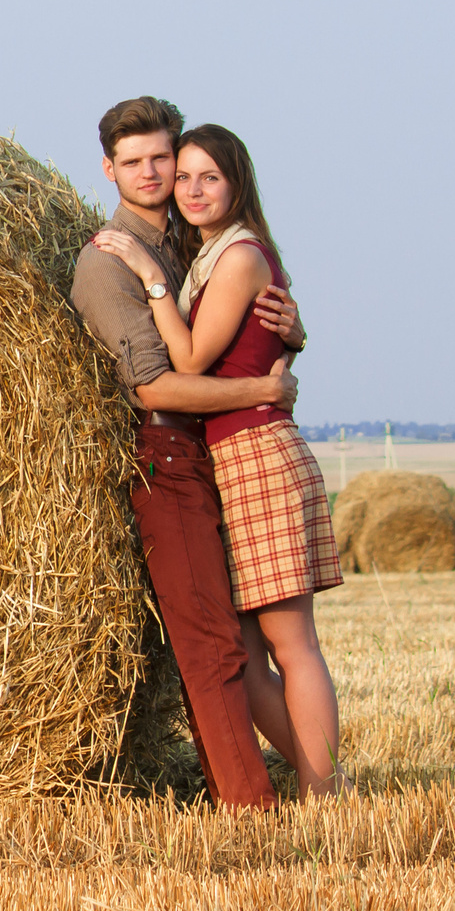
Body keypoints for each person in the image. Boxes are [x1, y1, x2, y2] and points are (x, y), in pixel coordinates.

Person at [93, 123, 345, 797]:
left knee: (291, 645)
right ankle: (329, 786)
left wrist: (151, 279)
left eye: (209, 176)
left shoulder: (234, 256)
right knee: (246, 656)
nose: (190, 188)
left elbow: (190, 361)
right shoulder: (203, 254)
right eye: (185, 176)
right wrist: (292, 338)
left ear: (237, 183)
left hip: (258, 455)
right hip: (226, 461)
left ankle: (325, 798)